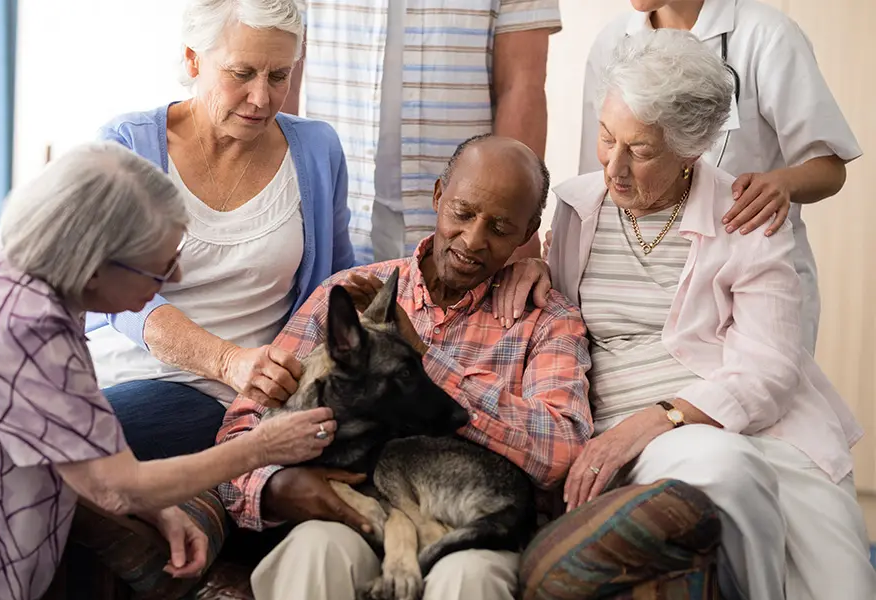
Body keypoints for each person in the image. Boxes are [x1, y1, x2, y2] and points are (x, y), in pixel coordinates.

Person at [519, 29, 873, 600]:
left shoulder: (744, 213)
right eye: (607, 138)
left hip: (759, 425)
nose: (615, 168)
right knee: (722, 466)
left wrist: (659, 418)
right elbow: (555, 330)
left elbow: (769, 371)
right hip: (629, 431)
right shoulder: (575, 209)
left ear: (691, 148)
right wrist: (528, 267)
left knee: (844, 581)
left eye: (641, 150)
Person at [0, 142, 338, 600]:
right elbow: (117, 489)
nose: (173, 281)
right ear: (93, 266)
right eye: (158, 269)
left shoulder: (17, 277)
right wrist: (260, 448)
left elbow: (76, 445)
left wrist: (158, 507)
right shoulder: (26, 329)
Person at [215, 135, 593, 600]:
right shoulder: (346, 299)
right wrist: (277, 485)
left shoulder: (548, 320)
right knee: (316, 549)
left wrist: (423, 359)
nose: (473, 240)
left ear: (529, 230)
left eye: (499, 227)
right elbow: (239, 432)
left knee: (468, 579)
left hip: (465, 523)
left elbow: (561, 451)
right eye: (463, 213)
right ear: (438, 196)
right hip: (350, 512)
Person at [85, 0, 354, 461]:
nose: (261, 99)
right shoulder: (128, 145)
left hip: (228, 400)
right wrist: (226, 360)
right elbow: (110, 289)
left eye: (278, 76)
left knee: (54, 448)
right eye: (241, 72)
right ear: (193, 59)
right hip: (123, 370)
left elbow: (340, 277)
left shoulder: (316, 150)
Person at [577, 0, 862, 354]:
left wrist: (782, 183)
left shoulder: (765, 35)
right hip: (639, 295)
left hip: (748, 285)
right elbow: (595, 183)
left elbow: (829, 167)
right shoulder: (612, 41)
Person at [283, 0, 562, 264]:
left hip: (470, 231)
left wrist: (516, 236)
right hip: (332, 213)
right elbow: (281, 69)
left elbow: (521, 87)